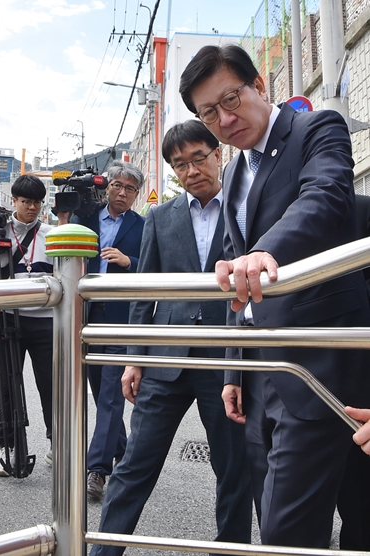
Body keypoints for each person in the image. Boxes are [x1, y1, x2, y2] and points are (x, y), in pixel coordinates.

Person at [180, 43, 370, 548]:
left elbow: (325, 195)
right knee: (293, 516)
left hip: (321, 363)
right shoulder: (236, 172)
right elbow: (233, 282)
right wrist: (233, 369)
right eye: (208, 113)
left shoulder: (315, 129)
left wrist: (265, 250)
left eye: (232, 99)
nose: (224, 118)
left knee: (290, 532)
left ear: (260, 85)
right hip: (261, 378)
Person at [91, 121, 252, 555]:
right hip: (165, 358)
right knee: (134, 466)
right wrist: (133, 358)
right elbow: (145, 293)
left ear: (218, 154)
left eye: (199, 157)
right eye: (180, 164)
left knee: (234, 468)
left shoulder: (246, 207)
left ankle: (233, 548)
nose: (191, 169)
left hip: (227, 360)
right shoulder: (162, 217)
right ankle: (104, 550)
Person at [59, 160, 145, 502]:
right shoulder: (85, 220)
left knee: (110, 393)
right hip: (86, 313)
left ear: (137, 195)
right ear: (106, 186)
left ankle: (98, 470)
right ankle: (122, 447)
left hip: (120, 317)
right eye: (117, 185)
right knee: (98, 389)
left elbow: (154, 269)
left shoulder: (143, 226)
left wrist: (129, 262)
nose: (122, 192)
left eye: (129, 189)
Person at [0, 174, 54, 477]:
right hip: (7, 320)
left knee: (53, 386)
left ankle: (57, 442)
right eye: (26, 201)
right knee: (6, 387)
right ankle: (9, 448)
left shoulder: (52, 235)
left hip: (46, 323)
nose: (33, 208)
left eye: (37, 202)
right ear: (14, 201)